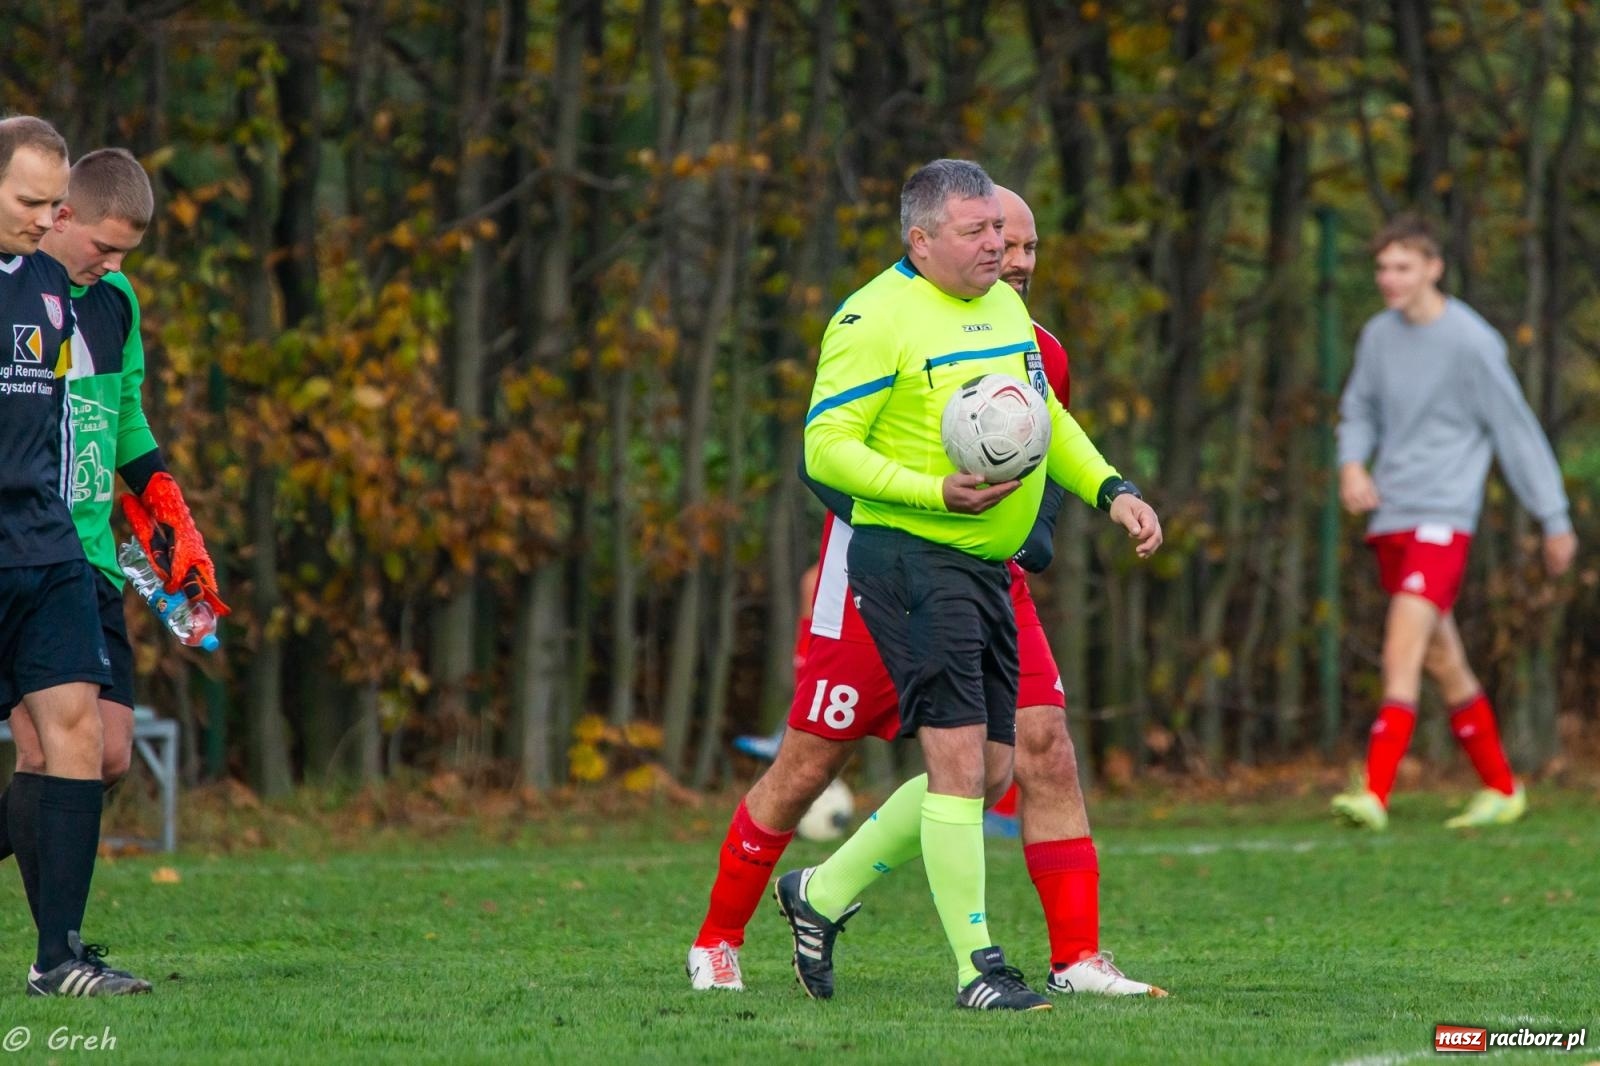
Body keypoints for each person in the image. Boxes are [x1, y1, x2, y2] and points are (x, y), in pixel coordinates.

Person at [687, 184, 1164, 1003]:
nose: (1011, 257)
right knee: (810, 764)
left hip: (989, 573)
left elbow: (1046, 437)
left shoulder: (1028, 338)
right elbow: (824, 459)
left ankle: (1073, 956)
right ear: (928, 238)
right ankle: (720, 936)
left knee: (1026, 753)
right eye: (991, 235)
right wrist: (923, 507)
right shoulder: (879, 318)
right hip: (888, 574)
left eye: (1023, 243)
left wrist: (1104, 494)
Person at [1, 148, 228, 881]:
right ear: (62, 216)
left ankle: (57, 929)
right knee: (46, 752)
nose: (113, 265)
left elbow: (125, 414)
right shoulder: (20, 289)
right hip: (32, 549)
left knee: (108, 755)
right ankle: (58, 937)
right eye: (104, 247)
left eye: (126, 254)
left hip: (93, 555)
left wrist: (169, 517)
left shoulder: (117, 298)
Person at [1330, 214, 1576, 831]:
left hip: (1443, 517)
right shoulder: (1378, 336)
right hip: (1391, 517)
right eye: (1382, 267)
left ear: (1433, 269)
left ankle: (1375, 793)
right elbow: (1358, 410)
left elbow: (1516, 431)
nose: (1389, 278)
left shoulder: (1472, 343)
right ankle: (1502, 787)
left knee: (1402, 648)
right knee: (1444, 660)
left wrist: (1553, 517)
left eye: (1403, 267)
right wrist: (1353, 465)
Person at [0, 115, 149, 996]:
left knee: (80, 738)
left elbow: (97, 416)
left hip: (49, 543)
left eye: (56, 203)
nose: (47, 217)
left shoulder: (57, 284)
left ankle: (58, 958)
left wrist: (152, 508)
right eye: (31, 201)